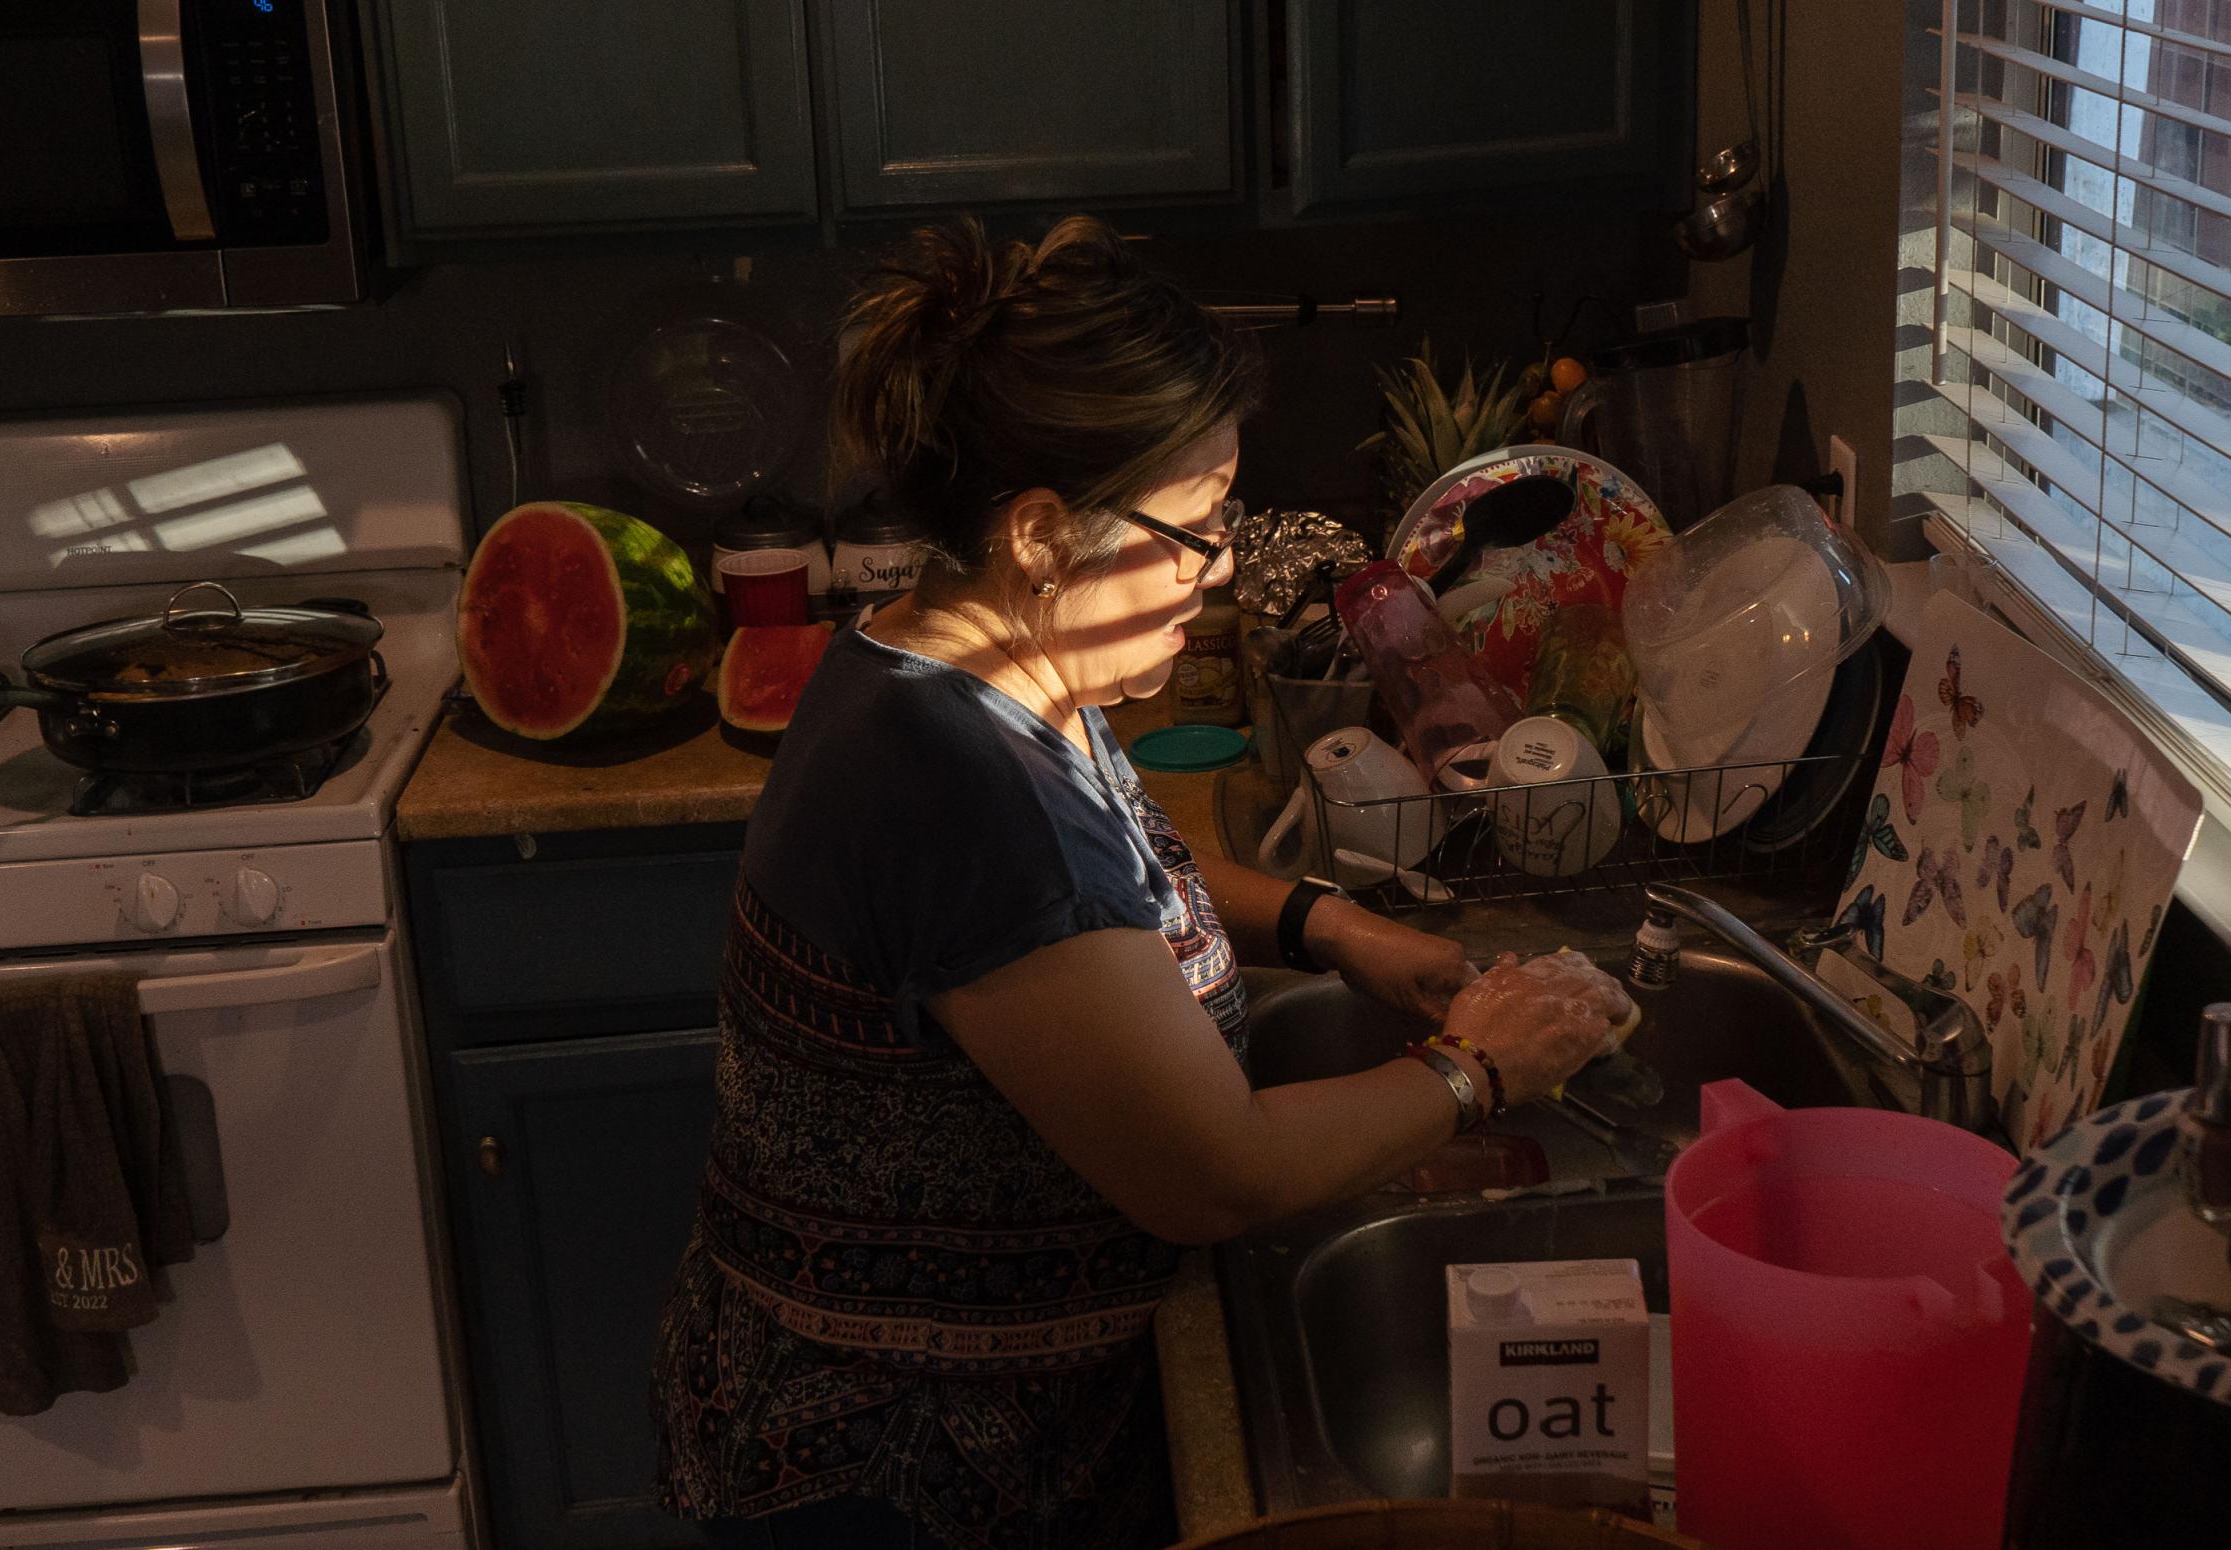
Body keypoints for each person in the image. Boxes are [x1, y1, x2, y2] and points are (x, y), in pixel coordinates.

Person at [651, 215, 1632, 1550]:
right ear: (1045, 533)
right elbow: (1215, 1178)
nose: (1219, 563)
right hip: (900, 1470)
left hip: (953, 1422)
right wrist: (1480, 1067)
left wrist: (1323, 922)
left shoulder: (966, 653)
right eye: (1192, 527)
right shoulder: (957, 778)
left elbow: (1107, 884)